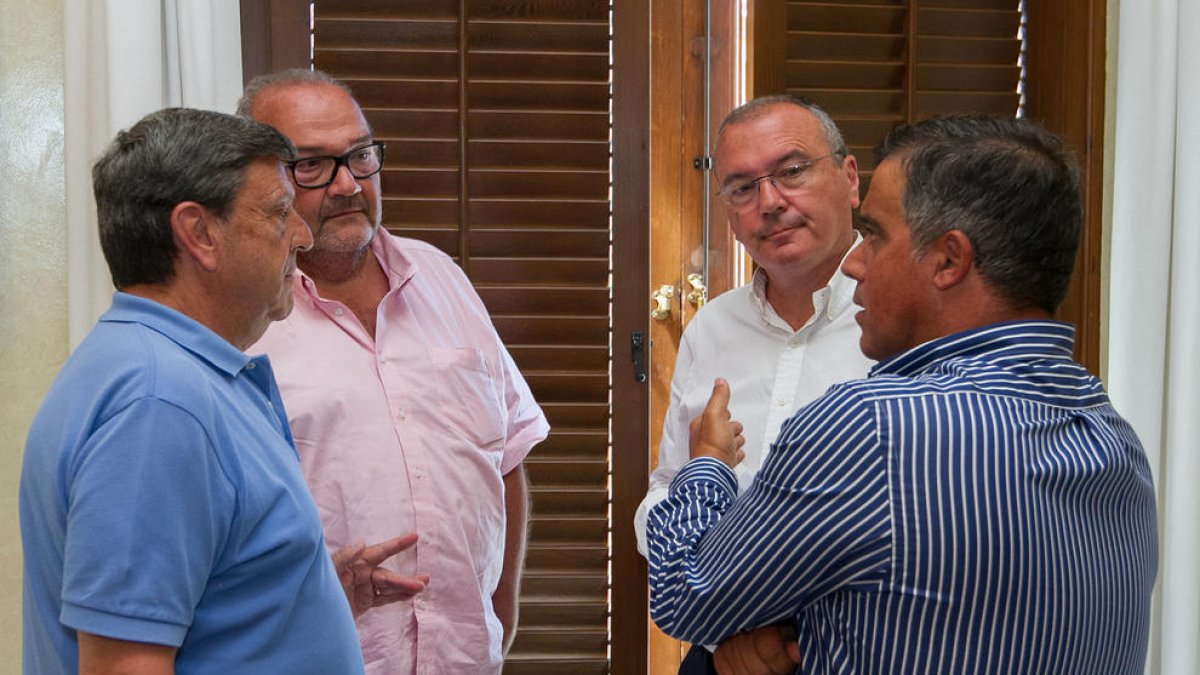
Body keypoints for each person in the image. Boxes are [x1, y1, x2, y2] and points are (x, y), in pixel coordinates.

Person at [646, 115, 1158, 674]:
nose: (857, 262)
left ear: (948, 260)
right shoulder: (1119, 444)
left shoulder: (872, 427)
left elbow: (683, 593)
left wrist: (710, 466)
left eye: (875, 235)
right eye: (742, 187)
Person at [19, 108, 427, 675]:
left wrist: (290, 601)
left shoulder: (166, 374)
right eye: (280, 212)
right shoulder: (159, 406)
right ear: (200, 234)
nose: (302, 236)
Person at [237, 69, 550, 675]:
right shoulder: (242, 318)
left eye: (360, 155)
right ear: (256, 178)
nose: (348, 184)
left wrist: (498, 616)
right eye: (311, 165)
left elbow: (505, 458)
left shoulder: (440, 276)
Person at [633, 96, 875, 671]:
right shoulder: (711, 328)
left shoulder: (899, 318)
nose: (769, 203)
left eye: (792, 171)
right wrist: (727, 635)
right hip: (721, 653)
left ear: (848, 178)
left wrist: (783, 637)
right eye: (742, 188)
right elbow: (666, 492)